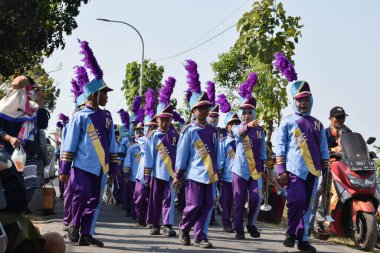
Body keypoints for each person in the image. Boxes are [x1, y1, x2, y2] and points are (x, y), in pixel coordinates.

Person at [59, 39, 119, 247]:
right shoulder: (79, 116)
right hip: (82, 166)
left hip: (101, 167)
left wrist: (114, 167)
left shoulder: (108, 117)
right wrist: (65, 168)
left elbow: (112, 143)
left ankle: (86, 232)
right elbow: (70, 144)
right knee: (81, 195)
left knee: (94, 201)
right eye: (104, 93)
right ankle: (74, 224)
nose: (107, 97)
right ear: (94, 94)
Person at [276, 81, 329, 253]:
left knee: (308, 207)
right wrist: (281, 171)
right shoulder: (287, 122)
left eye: (306, 99)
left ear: (311, 100)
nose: (303, 103)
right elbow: (281, 147)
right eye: (299, 100)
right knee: (296, 201)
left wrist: (326, 171)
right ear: (294, 101)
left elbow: (323, 149)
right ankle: (291, 233)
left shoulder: (318, 124)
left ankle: (303, 240)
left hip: (313, 172)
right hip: (293, 171)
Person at [173, 59, 219, 249]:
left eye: (207, 107)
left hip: (210, 176)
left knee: (208, 205)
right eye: (200, 107)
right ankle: (184, 229)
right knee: (193, 205)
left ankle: (201, 236)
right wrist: (178, 175)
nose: (204, 110)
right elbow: (182, 154)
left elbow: (217, 154)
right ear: (194, 110)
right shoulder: (189, 131)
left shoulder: (214, 131)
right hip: (194, 175)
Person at [231, 72, 266, 240]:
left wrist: (266, 165)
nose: (246, 115)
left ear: (254, 113)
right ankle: (238, 228)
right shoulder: (238, 128)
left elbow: (262, 151)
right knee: (238, 202)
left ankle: (251, 224)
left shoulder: (260, 131)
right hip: (239, 171)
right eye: (243, 112)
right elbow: (237, 134)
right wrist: (248, 126)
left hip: (256, 170)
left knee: (255, 198)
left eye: (249, 112)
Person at [145, 77, 178, 237]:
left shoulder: (175, 135)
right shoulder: (153, 136)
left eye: (167, 120)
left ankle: (167, 224)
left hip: (171, 174)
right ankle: (153, 224)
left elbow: (178, 155)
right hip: (156, 174)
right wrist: (147, 176)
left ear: (171, 120)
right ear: (157, 119)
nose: (164, 123)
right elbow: (149, 157)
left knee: (169, 200)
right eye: (161, 119)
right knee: (155, 199)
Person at [217, 94, 240, 233]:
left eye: (237, 124)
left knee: (237, 202)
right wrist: (219, 173)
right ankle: (226, 222)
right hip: (226, 177)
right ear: (227, 126)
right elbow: (220, 159)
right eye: (232, 124)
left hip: (239, 177)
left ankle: (235, 222)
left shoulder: (242, 140)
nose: (234, 126)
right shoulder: (224, 142)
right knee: (226, 202)